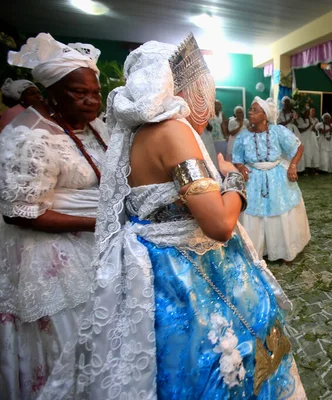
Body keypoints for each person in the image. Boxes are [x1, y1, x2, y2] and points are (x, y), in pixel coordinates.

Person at [39, 37, 307, 400]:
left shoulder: (136, 134)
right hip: (187, 269)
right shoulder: (172, 131)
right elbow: (218, 225)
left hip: (155, 267)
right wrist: (234, 178)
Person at [0, 33, 106, 399]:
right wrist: (97, 221)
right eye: (80, 93)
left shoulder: (92, 126)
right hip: (47, 258)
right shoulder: (31, 137)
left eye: (95, 92)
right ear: (51, 94)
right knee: (68, 344)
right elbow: (20, 213)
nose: (92, 101)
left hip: (91, 246)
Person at [233, 97, 311, 262]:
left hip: (277, 177)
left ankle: (283, 251)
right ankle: (255, 251)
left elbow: (299, 147)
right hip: (253, 179)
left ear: (265, 115)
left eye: (255, 110)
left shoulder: (278, 131)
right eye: (251, 109)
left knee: (279, 211)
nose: (250, 112)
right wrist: (241, 167)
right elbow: (237, 157)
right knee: (253, 214)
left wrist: (293, 166)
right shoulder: (243, 136)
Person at [296, 107, 320, 175]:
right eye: (306, 112)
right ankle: (304, 169)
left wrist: (313, 125)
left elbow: (313, 129)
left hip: (311, 136)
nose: (307, 113)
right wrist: (308, 125)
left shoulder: (310, 119)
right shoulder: (299, 119)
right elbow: (300, 130)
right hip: (304, 137)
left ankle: (312, 168)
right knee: (305, 151)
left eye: (308, 112)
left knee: (312, 151)